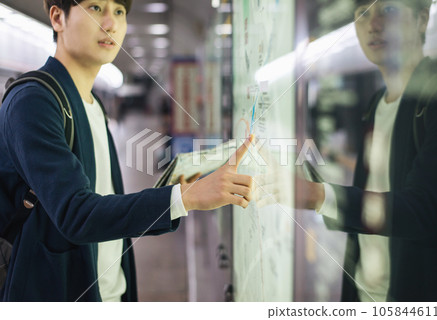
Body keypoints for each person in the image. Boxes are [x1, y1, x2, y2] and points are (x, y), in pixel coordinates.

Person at [0, 0, 254, 301]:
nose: (111, 23)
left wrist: (179, 187)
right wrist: (186, 198)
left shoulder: (92, 103)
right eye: (95, 8)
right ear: (58, 17)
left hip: (110, 292)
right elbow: (76, 214)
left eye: (119, 11)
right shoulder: (34, 102)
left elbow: (105, 202)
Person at [301, 0, 437, 301]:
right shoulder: (376, 104)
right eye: (363, 14)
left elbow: (424, 211)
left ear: (422, 20)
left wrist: (318, 195)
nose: (373, 24)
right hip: (365, 291)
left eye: (390, 10)